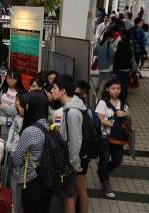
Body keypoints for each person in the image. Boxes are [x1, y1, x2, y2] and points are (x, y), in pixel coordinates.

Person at [51, 74, 87, 213]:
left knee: (67, 199)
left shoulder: (72, 112)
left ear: (63, 90)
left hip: (69, 163)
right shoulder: (70, 106)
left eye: (54, 88)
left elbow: (76, 140)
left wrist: (72, 165)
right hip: (70, 162)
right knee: (68, 197)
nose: (52, 90)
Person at [14, 90, 53, 213]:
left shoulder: (30, 130)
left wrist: (25, 158)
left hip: (33, 180)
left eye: (27, 103)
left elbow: (16, 159)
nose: (25, 105)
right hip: (49, 178)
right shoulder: (50, 124)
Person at [95, 79, 130, 198]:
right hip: (105, 136)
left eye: (118, 88)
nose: (116, 91)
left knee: (118, 160)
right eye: (113, 88)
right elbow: (99, 120)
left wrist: (125, 114)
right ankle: (105, 183)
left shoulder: (122, 103)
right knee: (104, 160)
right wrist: (114, 126)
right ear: (107, 89)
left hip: (117, 137)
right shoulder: (102, 103)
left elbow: (129, 115)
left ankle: (101, 172)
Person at [0, 68, 25, 142]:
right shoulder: (1, 89)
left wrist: (3, 108)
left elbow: (17, 112)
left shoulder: (21, 93)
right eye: (9, 78)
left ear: (18, 80)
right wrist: (9, 114)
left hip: (14, 124)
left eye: (13, 79)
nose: (10, 80)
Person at [6, 90, 28, 190]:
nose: (16, 102)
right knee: (10, 175)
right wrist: (8, 142)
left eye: (19, 100)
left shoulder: (27, 120)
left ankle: (15, 200)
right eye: (16, 99)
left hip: (18, 152)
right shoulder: (18, 116)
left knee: (16, 176)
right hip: (12, 150)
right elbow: (12, 129)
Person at [113, 33, 133, 98]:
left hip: (119, 69)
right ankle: (125, 95)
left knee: (119, 83)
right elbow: (132, 61)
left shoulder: (118, 51)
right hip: (127, 69)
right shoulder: (130, 52)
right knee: (126, 82)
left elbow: (115, 61)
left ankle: (118, 96)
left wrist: (114, 70)